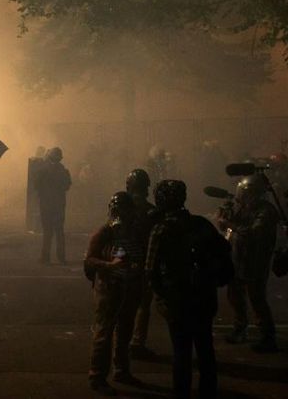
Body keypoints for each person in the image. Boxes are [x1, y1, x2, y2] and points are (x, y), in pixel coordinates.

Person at [148, 180, 233, 399]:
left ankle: (182, 393)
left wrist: (162, 296)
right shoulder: (201, 224)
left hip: (176, 300)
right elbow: (224, 252)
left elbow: (151, 269)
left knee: (181, 352)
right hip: (204, 297)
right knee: (206, 349)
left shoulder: (161, 229)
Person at [85, 192, 144, 396]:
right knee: (104, 332)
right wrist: (109, 266)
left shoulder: (132, 232)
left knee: (125, 330)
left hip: (128, 286)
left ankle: (121, 370)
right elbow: (90, 260)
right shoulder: (104, 232)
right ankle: (97, 376)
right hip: (109, 287)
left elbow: (130, 254)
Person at [218, 174, 279, 352]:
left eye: (245, 194)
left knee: (257, 299)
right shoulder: (244, 208)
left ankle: (268, 337)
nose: (241, 197)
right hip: (238, 259)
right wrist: (225, 220)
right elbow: (231, 228)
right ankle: (240, 329)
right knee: (235, 296)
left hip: (255, 262)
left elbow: (254, 233)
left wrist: (231, 223)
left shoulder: (266, 211)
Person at [126, 169, 159, 359]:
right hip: (144, 262)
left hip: (124, 261)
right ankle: (137, 343)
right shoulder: (150, 211)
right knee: (143, 305)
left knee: (123, 305)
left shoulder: (121, 207)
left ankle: (122, 342)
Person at [35, 147, 72, 264]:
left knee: (47, 232)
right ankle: (61, 257)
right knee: (59, 231)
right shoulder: (64, 171)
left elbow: (36, 185)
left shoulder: (43, 170)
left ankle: (45, 257)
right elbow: (67, 186)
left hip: (46, 204)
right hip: (59, 204)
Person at [26, 146, 46, 232]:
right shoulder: (42, 162)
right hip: (38, 188)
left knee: (34, 207)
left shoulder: (33, 161)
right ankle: (35, 227)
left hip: (34, 188)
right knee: (38, 207)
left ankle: (32, 226)